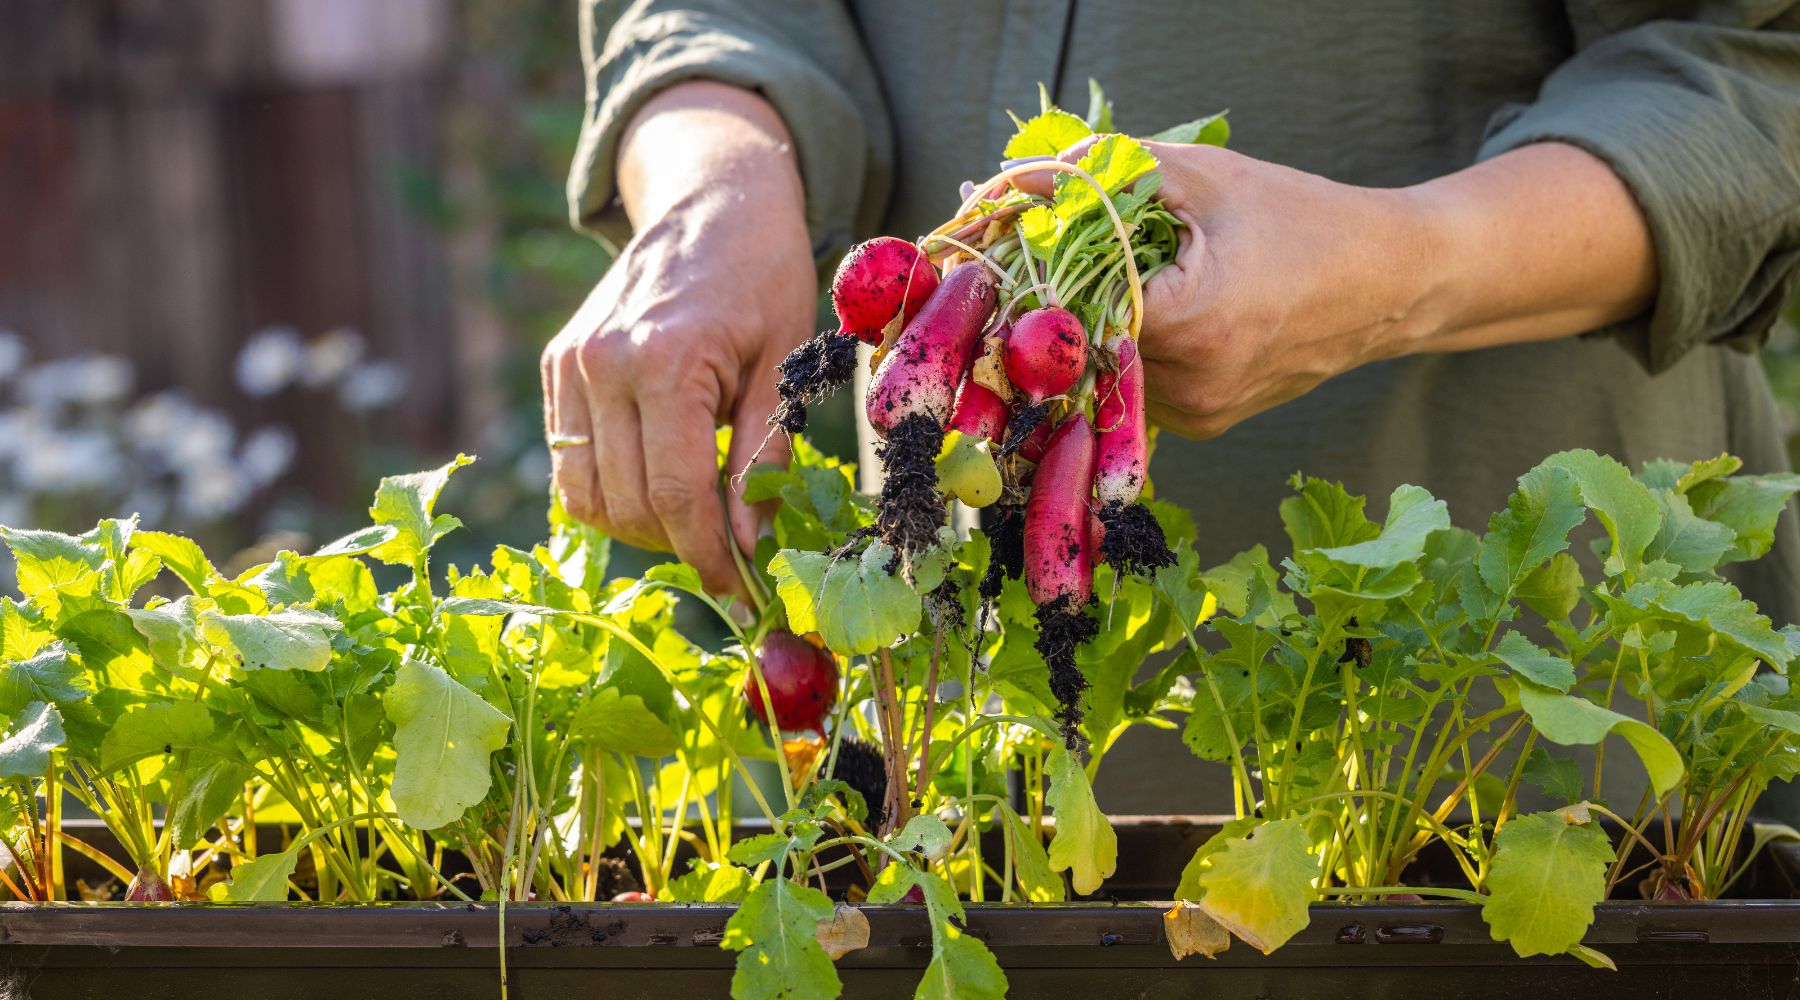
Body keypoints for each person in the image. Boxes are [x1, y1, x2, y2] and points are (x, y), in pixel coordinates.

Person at [540, 2, 1800, 812]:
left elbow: (1758, 67)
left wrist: (1401, 269)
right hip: (934, 741)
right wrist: (717, 176)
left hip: (1509, 733)